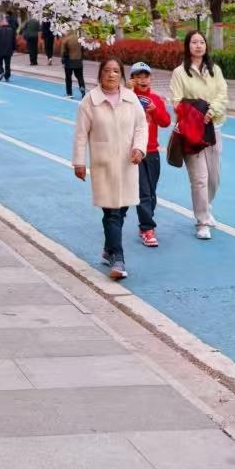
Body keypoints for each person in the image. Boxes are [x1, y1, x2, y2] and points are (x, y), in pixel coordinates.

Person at [71, 56, 148, 281]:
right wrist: (79, 162)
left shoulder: (131, 99)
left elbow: (141, 126)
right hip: (103, 164)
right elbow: (80, 135)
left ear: (122, 76)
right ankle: (118, 258)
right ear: (100, 74)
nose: (112, 74)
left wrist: (139, 148)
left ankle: (108, 248)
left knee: (121, 210)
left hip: (127, 164)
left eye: (116, 71)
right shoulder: (89, 102)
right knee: (111, 212)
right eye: (107, 70)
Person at [169, 29, 229, 240]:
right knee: (200, 179)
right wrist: (197, 114)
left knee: (214, 178)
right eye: (194, 42)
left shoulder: (215, 70)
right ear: (187, 46)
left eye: (201, 42)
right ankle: (202, 221)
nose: (198, 45)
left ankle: (207, 205)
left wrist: (212, 111)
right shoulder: (179, 73)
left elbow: (223, 95)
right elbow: (176, 102)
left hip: (214, 129)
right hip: (191, 132)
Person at [127, 63, 171, 247]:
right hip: (136, 153)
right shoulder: (127, 99)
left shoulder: (156, 99)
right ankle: (147, 228)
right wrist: (128, 94)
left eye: (146, 76)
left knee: (151, 193)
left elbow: (166, 122)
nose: (143, 80)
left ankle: (145, 224)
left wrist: (155, 109)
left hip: (153, 152)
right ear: (132, 80)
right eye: (138, 76)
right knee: (143, 192)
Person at [0, 12, 16, 82]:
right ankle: (7, 75)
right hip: (8, 50)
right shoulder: (11, 30)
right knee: (7, 63)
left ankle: (0, 72)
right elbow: (14, 40)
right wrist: (14, 48)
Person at [61, 30, 86, 98]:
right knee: (80, 77)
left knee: (68, 78)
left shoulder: (66, 40)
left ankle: (69, 93)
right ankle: (82, 91)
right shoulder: (79, 39)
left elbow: (63, 52)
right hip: (78, 61)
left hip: (69, 61)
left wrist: (63, 61)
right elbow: (83, 50)